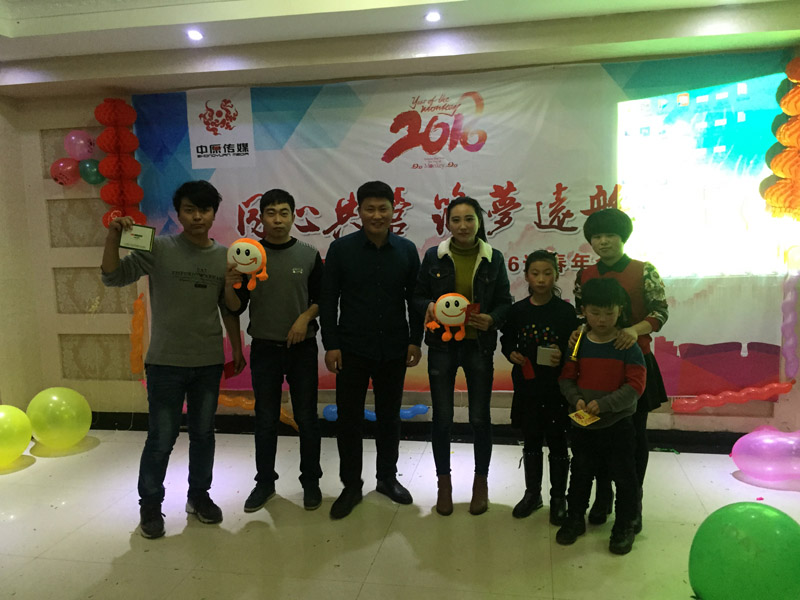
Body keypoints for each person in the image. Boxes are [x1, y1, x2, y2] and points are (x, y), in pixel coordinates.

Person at [101, 180, 245, 539]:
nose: (197, 217)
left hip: (207, 361)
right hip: (165, 362)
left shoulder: (225, 256)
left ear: (213, 214)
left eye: (204, 210)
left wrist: (238, 348)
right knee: (161, 438)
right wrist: (113, 238)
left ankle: (199, 496)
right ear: (178, 213)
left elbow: (229, 309)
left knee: (204, 435)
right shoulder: (158, 247)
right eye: (189, 210)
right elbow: (113, 276)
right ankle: (150, 505)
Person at [320, 180, 423, 519]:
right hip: (351, 348)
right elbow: (328, 300)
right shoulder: (341, 249)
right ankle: (351, 485)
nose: (377, 215)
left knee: (389, 417)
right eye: (370, 209)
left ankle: (387, 479)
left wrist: (415, 339)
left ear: (393, 210)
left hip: (394, 347)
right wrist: (331, 345)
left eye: (383, 208)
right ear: (359, 211)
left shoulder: (406, 250)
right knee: (348, 420)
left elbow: (415, 300)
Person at [225, 189, 324, 512]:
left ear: (294, 216)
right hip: (265, 349)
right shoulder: (249, 256)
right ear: (261, 218)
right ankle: (265, 483)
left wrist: (304, 318)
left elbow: (322, 298)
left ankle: (311, 482)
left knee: (306, 417)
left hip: (302, 349)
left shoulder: (308, 255)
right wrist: (228, 282)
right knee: (266, 419)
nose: (277, 220)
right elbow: (235, 307)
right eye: (271, 213)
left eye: (284, 213)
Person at [413, 196, 512, 516]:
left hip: (478, 346)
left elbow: (505, 302)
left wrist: (492, 319)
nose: (463, 226)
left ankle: (480, 484)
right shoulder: (435, 256)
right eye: (456, 220)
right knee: (442, 418)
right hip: (442, 345)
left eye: (469, 219)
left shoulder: (493, 258)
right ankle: (444, 485)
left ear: (479, 222)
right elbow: (417, 295)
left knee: (479, 418)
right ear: (447, 224)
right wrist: (429, 306)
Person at [572, 208, 668, 533]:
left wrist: (633, 331)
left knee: (633, 437)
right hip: (594, 363)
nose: (603, 242)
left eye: (610, 235)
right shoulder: (585, 274)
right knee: (598, 434)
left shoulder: (644, 270)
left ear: (623, 237)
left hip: (634, 361)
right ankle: (603, 498)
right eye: (596, 236)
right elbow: (581, 317)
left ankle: (633, 506)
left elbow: (660, 312)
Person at [557, 277, 646, 555]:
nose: (602, 319)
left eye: (609, 312)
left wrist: (605, 404)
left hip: (618, 425)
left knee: (624, 477)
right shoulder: (577, 343)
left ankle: (624, 526)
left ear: (620, 310)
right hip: (583, 425)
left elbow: (635, 387)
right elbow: (566, 378)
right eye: (595, 312)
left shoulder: (627, 345)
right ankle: (575, 519)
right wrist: (576, 399)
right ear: (584, 310)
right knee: (580, 473)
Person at [500, 250, 578, 524]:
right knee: (531, 440)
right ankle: (532, 494)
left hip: (557, 390)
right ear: (526, 276)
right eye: (535, 273)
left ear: (556, 275)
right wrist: (511, 353)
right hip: (528, 388)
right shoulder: (518, 310)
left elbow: (576, 348)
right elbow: (506, 340)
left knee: (558, 443)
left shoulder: (566, 312)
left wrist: (563, 355)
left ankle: (558, 498)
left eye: (547, 273)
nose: (541, 279)